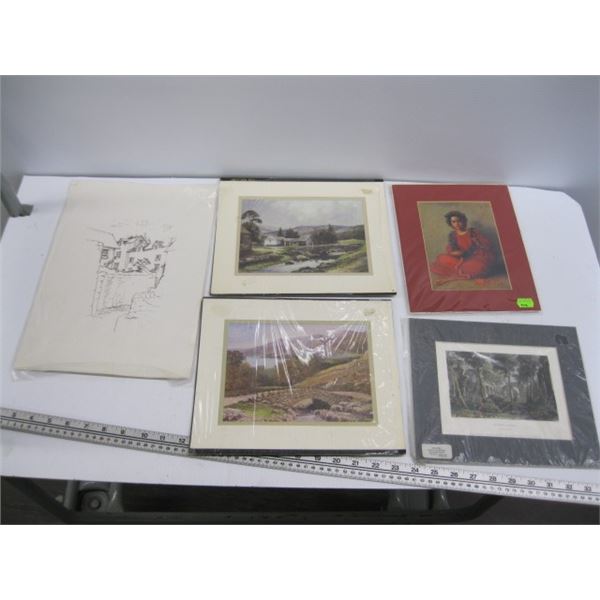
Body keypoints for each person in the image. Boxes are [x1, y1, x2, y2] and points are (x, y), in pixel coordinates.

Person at [430, 210, 495, 281]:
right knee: (441, 258)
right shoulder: (453, 235)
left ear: (464, 221)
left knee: (477, 267)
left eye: (459, 221)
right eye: (454, 222)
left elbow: (485, 244)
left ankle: (460, 273)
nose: (457, 224)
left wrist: (469, 250)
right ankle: (461, 270)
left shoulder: (472, 232)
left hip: (475, 257)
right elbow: (452, 249)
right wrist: (455, 253)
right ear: (450, 223)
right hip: (460, 258)